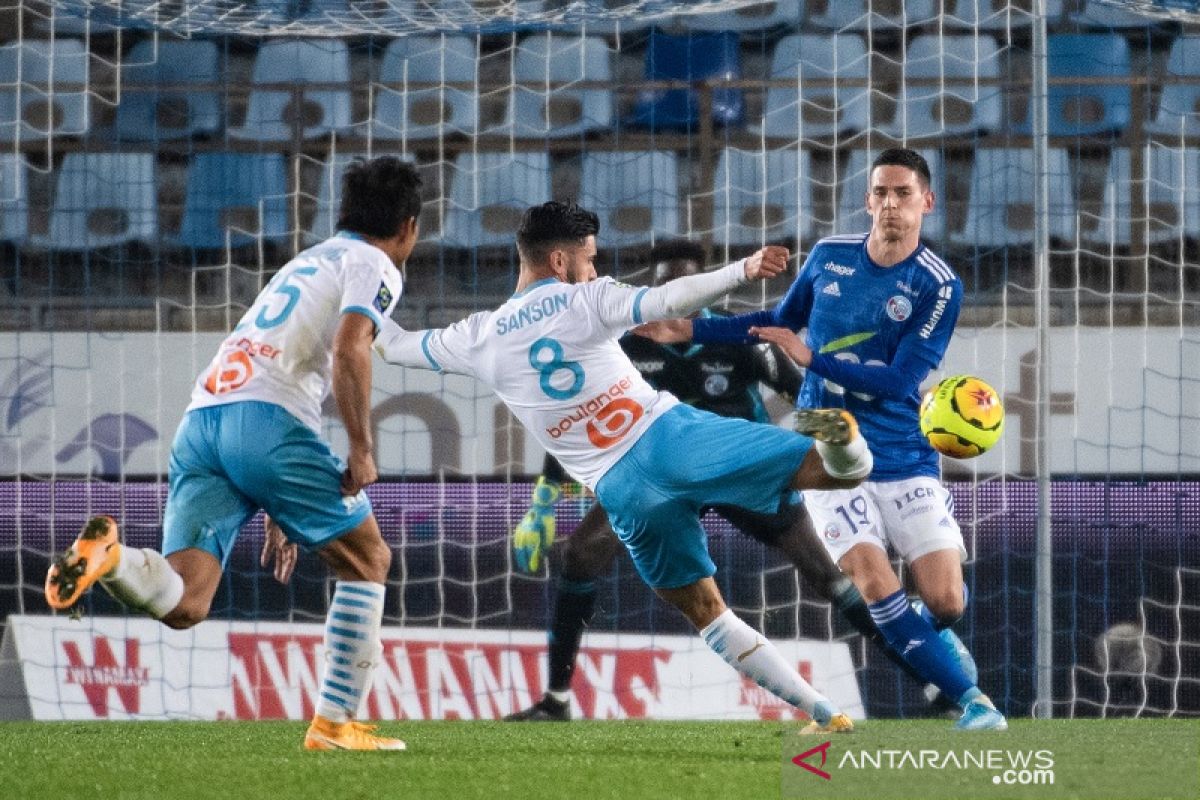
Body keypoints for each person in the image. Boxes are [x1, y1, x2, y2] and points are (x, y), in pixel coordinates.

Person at [374, 200, 875, 734]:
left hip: (623, 491)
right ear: (562, 262)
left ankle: (824, 712)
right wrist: (743, 270)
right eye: (589, 259)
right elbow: (669, 298)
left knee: (708, 612)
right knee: (839, 470)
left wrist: (360, 304)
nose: (594, 269)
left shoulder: (477, 336)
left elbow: (395, 345)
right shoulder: (587, 299)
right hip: (671, 439)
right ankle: (842, 436)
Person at [44, 156, 422, 751]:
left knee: (186, 601)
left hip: (204, 421)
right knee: (369, 558)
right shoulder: (375, 264)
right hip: (266, 424)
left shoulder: (307, 259)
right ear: (409, 227)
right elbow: (351, 350)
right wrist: (362, 449)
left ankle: (110, 560)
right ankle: (333, 724)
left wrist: (276, 498)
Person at [637, 148, 1006, 731]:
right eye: (880, 193)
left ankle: (926, 631)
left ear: (927, 203)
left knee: (945, 604)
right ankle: (974, 703)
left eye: (903, 194)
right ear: (867, 200)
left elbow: (902, 380)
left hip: (903, 447)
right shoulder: (830, 257)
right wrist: (691, 326)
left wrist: (812, 358)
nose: (890, 204)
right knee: (868, 576)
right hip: (827, 436)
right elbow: (778, 319)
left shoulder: (938, 284)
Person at [504, 239, 941, 722]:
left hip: (736, 469)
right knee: (580, 555)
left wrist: (835, 455)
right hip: (654, 472)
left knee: (829, 575)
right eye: (669, 283)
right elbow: (576, 418)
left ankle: (931, 679)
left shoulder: (738, 338)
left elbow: (804, 395)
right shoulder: (624, 343)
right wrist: (545, 499)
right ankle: (557, 700)